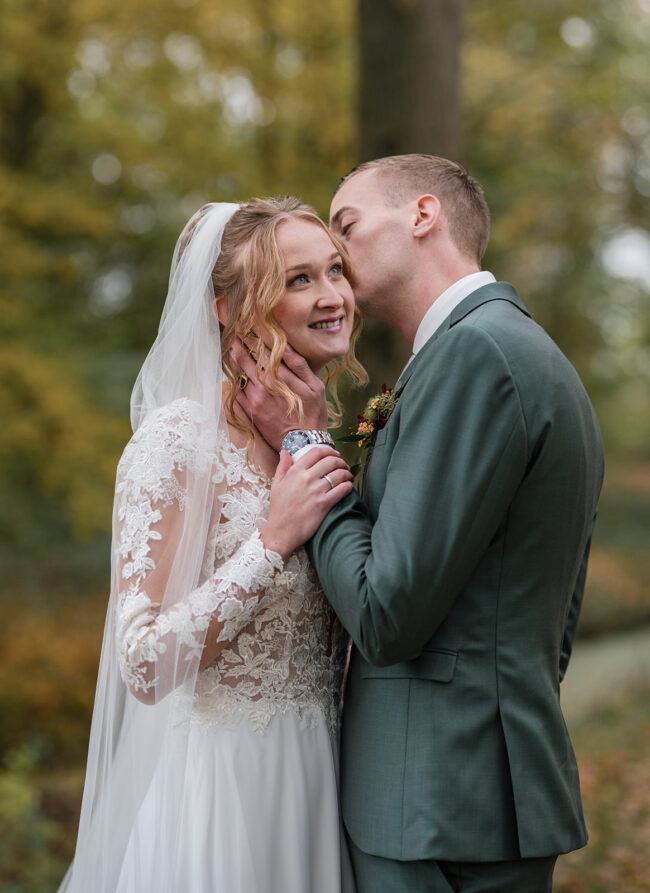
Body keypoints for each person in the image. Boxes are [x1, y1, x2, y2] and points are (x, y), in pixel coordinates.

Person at [234, 155, 605, 893]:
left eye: (346, 226)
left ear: (423, 215)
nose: (337, 257)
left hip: (429, 797)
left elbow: (384, 613)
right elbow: (549, 620)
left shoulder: (475, 354)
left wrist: (307, 446)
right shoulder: (511, 349)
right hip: (477, 788)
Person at [58, 197, 367, 893]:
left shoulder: (312, 432)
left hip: (321, 784)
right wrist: (272, 540)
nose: (333, 296)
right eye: (298, 280)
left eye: (334, 270)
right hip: (224, 793)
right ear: (228, 309)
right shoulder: (175, 442)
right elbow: (143, 664)